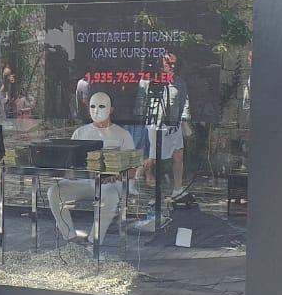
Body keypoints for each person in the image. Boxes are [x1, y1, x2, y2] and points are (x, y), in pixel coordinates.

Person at [47, 92, 137, 244]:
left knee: (110, 196)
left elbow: (133, 170)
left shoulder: (123, 135)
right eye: (92, 106)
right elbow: (70, 163)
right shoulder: (80, 133)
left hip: (109, 185)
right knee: (54, 191)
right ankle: (70, 238)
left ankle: (94, 241)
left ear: (111, 109)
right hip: (83, 182)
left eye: (102, 106)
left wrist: (116, 175)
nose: (96, 111)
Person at [141, 52, 189, 196]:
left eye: (174, 64)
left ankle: (178, 188)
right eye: (168, 63)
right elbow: (142, 101)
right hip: (155, 123)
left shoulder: (180, 82)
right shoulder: (149, 81)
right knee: (153, 157)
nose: (171, 66)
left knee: (178, 155)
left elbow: (184, 102)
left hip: (173, 124)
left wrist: (184, 120)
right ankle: (138, 177)